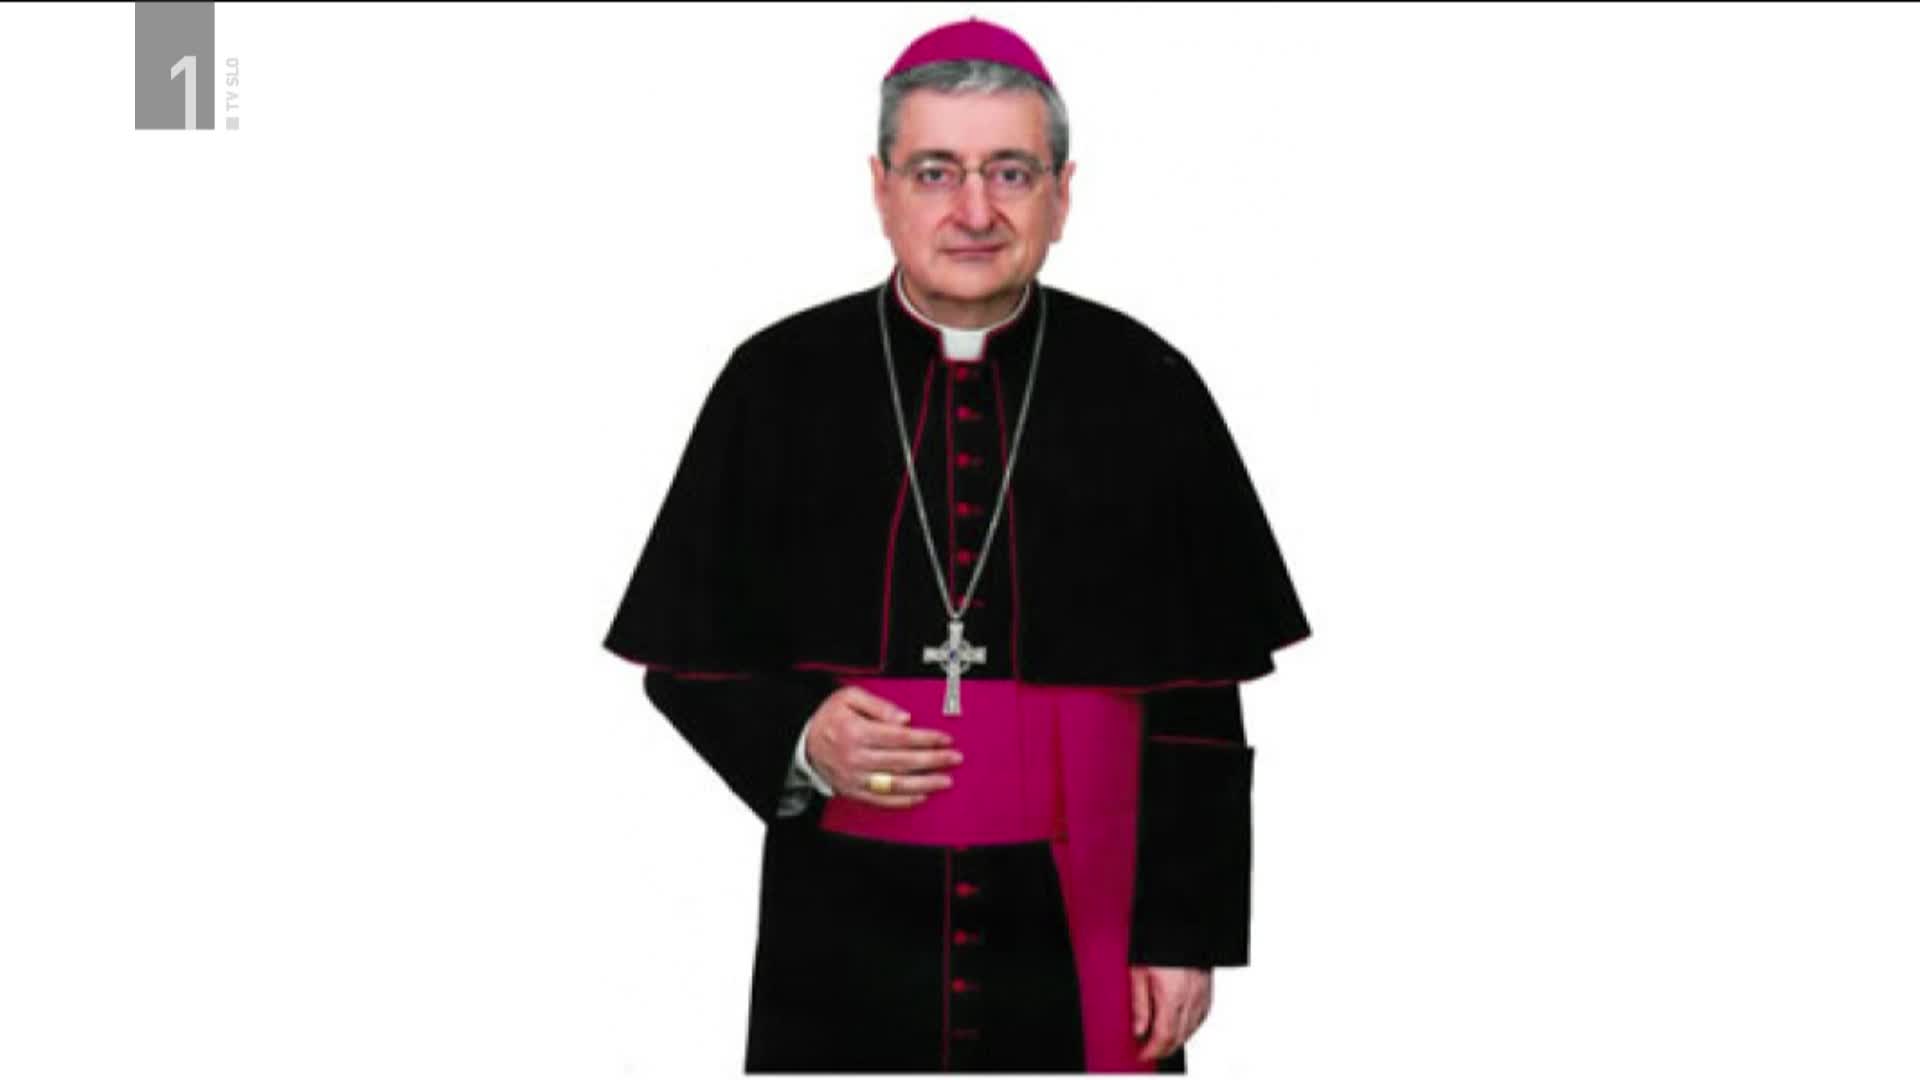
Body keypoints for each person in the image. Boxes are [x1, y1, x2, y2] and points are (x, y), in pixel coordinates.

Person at [602, 17, 1311, 1074]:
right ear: (881, 188)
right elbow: (686, 660)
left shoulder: (1148, 387)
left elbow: (1200, 703)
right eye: (936, 171)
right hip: (842, 931)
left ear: (1062, 195)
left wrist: (1182, 931)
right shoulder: (777, 382)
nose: (975, 211)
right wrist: (801, 738)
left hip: (1083, 919)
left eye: (1010, 172)